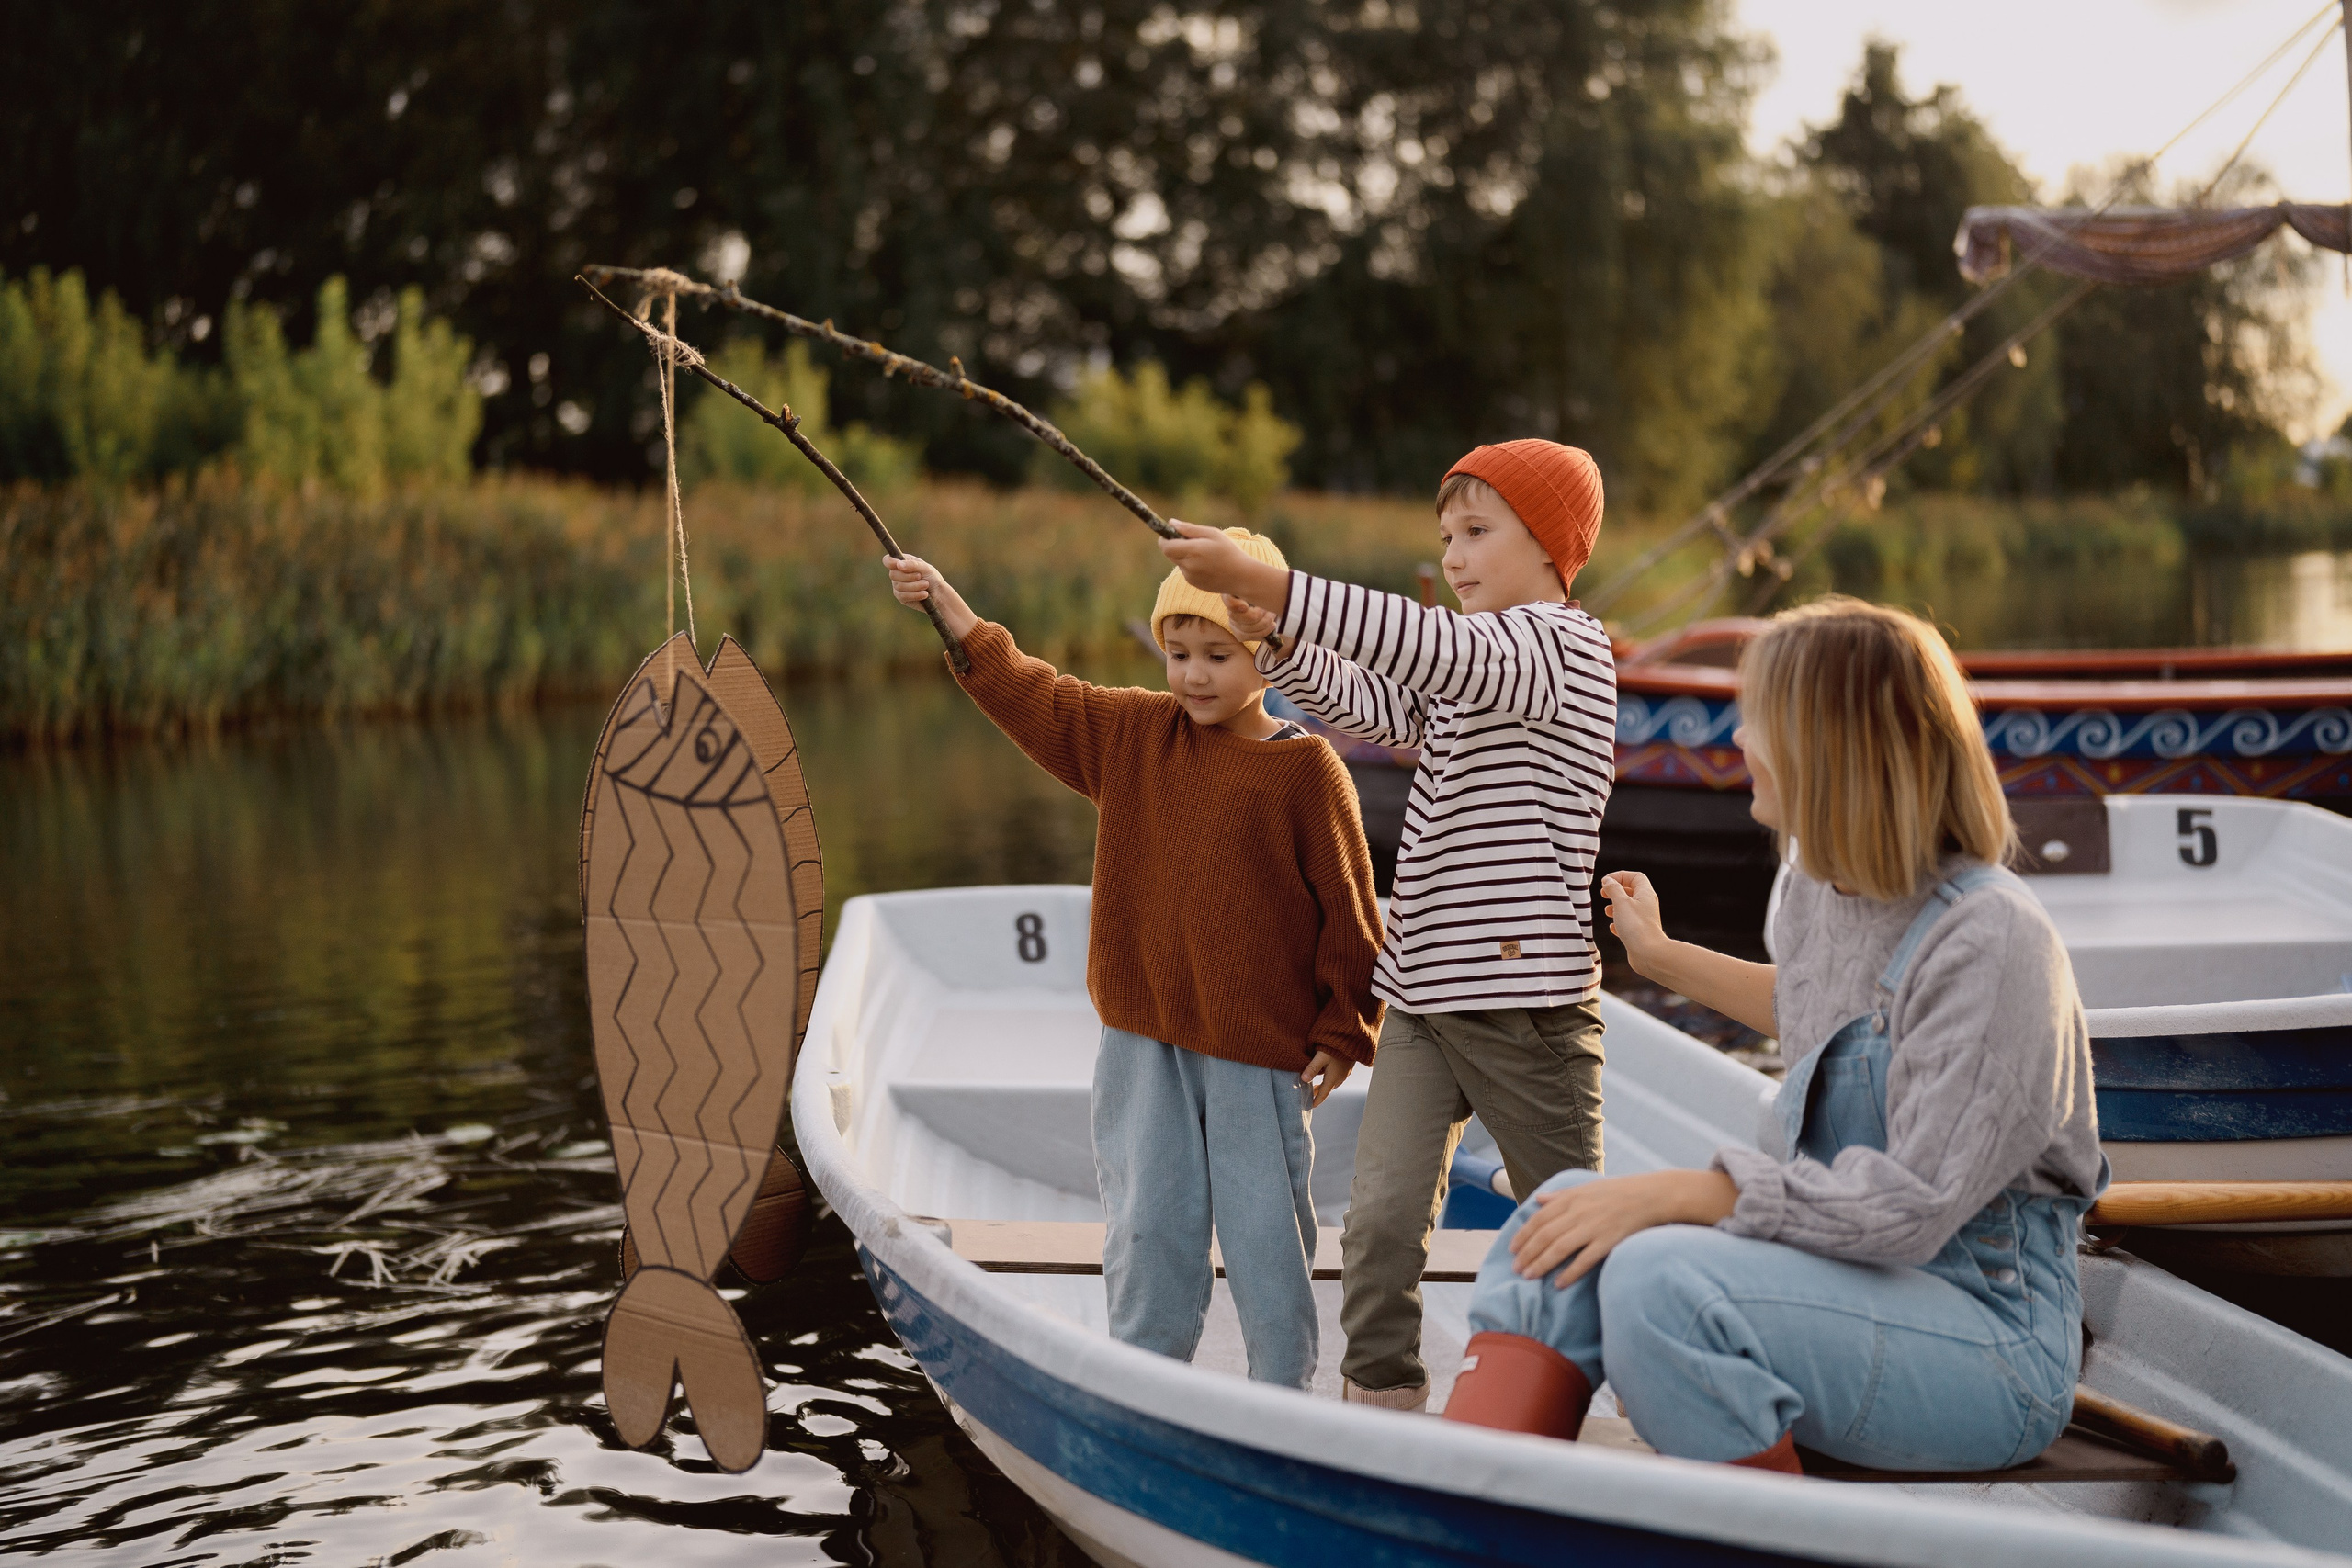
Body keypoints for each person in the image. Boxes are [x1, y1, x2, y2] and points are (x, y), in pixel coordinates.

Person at [1442, 595, 2107, 1474]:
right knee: (1556, 1216)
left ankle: (1762, 1532)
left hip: (1989, 1337)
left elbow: (1911, 1207)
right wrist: (1663, 956)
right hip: (1843, 1280)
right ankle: (1472, 1498)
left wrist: (1684, 1193)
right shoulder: (1819, 889)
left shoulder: (1993, 938)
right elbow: (1818, 1015)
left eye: (1763, 721)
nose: (1741, 740)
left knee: (1661, 1284)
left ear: (1836, 747)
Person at [1159, 441, 1618, 1410]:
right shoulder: (1473, 664)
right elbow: (1375, 703)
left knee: (1581, 1237)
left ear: (1551, 545)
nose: (1453, 556)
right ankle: (1383, 1406)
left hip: (1526, 1012)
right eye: (1445, 535)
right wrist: (1277, 645)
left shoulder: (1557, 650)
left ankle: (1654, 1405)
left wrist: (1270, 582)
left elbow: (1424, 646)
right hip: (1421, 999)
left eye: (1477, 533)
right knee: (1375, 1229)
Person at [885, 531, 1385, 1390]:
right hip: (1142, 1041)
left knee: (1268, 1236)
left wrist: (1345, 1029)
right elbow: (1037, 697)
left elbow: (1351, 914)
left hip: (1256, 1053)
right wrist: (953, 614)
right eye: (1177, 652)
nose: (1192, 675)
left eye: (1217, 655)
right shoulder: (1134, 734)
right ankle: (1145, 1383)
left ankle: (1282, 1392)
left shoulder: (1306, 771)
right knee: (1149, 1225)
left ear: (1270, 654)